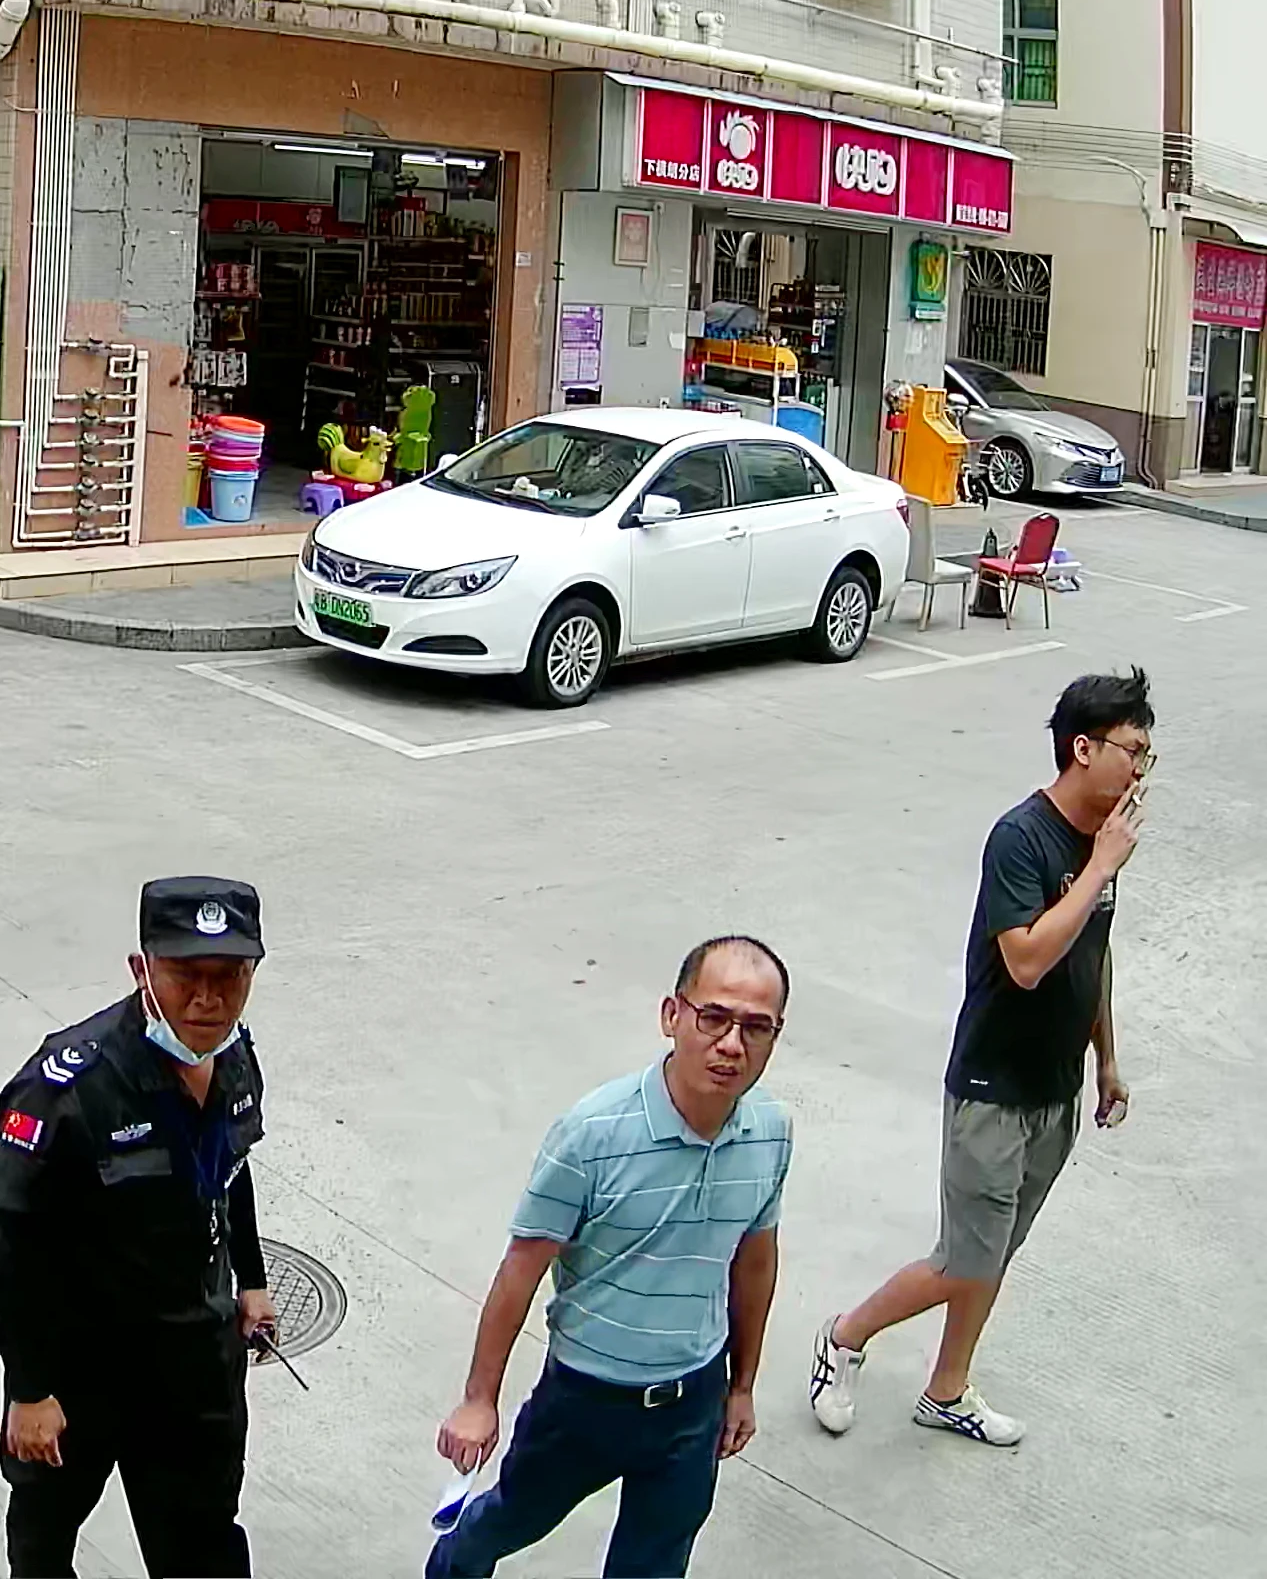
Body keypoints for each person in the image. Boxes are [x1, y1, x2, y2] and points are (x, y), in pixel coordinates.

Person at [810, 668, 1152, 1449]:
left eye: (1145, 755)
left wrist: (1105, 1059)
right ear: (1082, 748)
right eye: (1131, 751)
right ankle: (843, 1335)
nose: (1139, 770)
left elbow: (1091, 953)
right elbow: (1026, 960)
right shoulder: (1020, 839)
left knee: (994, 1254)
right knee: (963, 1259)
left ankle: (946, 1389)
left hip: (1054, 1091)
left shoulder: (1099, 843)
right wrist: (1099, 868)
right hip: (991, 1090)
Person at [427, 937, 794, 1579]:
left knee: (655, 1565)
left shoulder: (771, 1132)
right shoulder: (592, 1134)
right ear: (672, 1015)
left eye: (755, 1027)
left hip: (692, 1403)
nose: (732, 1044)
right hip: (585, 1400)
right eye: (713, 1018)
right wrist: (479, 1399)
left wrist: (741, 1386)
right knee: (510, 1520)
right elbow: (522, 1267)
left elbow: (755, 1263)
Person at [0, 877, 279, 1577]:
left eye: (228, 976)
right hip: (81, 1369)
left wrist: (251, 1279)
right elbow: (10, 1249)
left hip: (192, 1361)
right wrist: (29, 1391)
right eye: (184, 975)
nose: (207, 999)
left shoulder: (232, 1056)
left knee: (203, 1541)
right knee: (44, 1540)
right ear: (141, 968)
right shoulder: (64, 1090)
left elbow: (229, 1169)